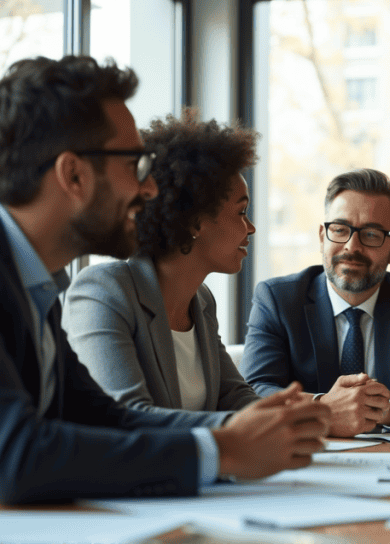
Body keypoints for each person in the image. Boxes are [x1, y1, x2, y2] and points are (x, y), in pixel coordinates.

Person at [0, 56, 329, 503]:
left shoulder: (33, 281)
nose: (151, 189)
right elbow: (16, 458)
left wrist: (249, 432)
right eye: (135, 165)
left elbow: (107, 419)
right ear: (74, 175)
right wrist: (224, 451)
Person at [241, 168, 390, 436]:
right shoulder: (278, 299)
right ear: (321, 237)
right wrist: (323, 407)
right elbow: (253, 391)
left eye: (371, 234)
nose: (351, 246)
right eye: (339, 229)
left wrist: (385, 411)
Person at [63, 111, 261, 420]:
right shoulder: (103, 292)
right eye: (241, 212)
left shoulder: (201, 301)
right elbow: (130, 416)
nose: (250, 228)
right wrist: (250, 429)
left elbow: (234, 396)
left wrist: (311, 412)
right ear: (195, 220)